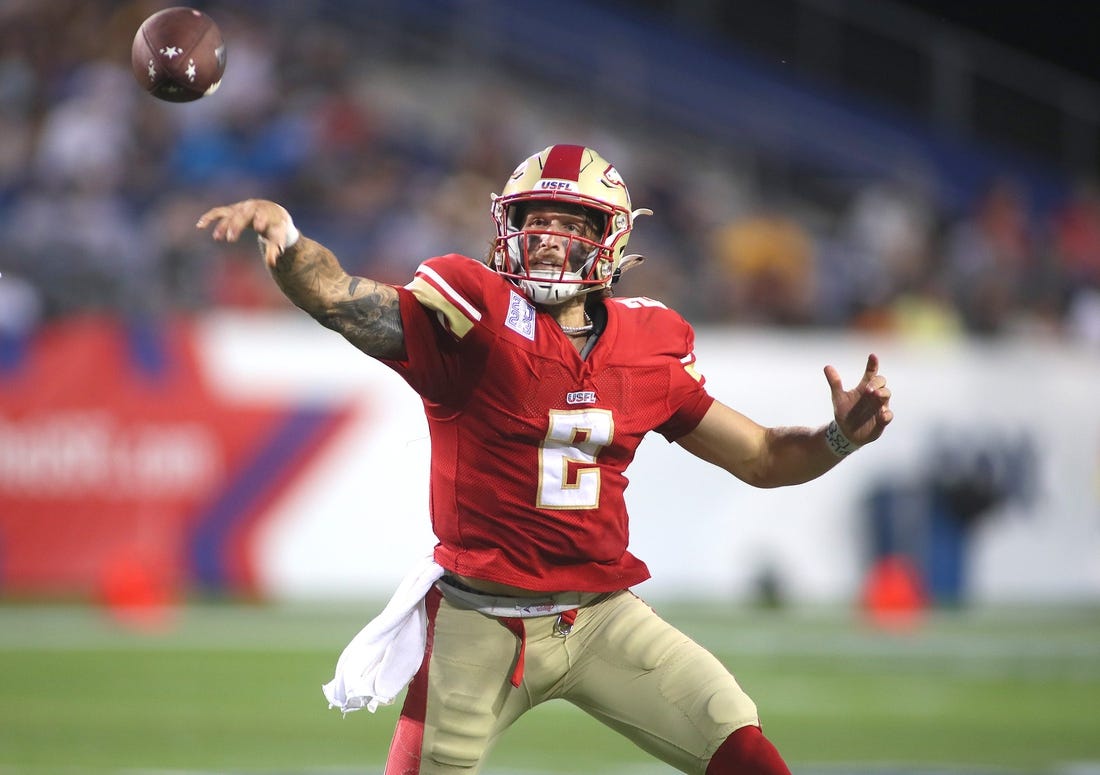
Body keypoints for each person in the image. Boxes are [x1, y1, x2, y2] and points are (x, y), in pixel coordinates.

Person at [197, 144, 893, 775]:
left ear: (610, 239)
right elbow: (342, 297)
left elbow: (765, 456)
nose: (551, 238)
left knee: (738, 741)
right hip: (479, 625)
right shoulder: (473, 315)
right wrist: (286, 240)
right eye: (537, 218)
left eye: (574, 223)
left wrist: (838, 438)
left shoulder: (649, 341)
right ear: (507, 226)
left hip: (601, 617)